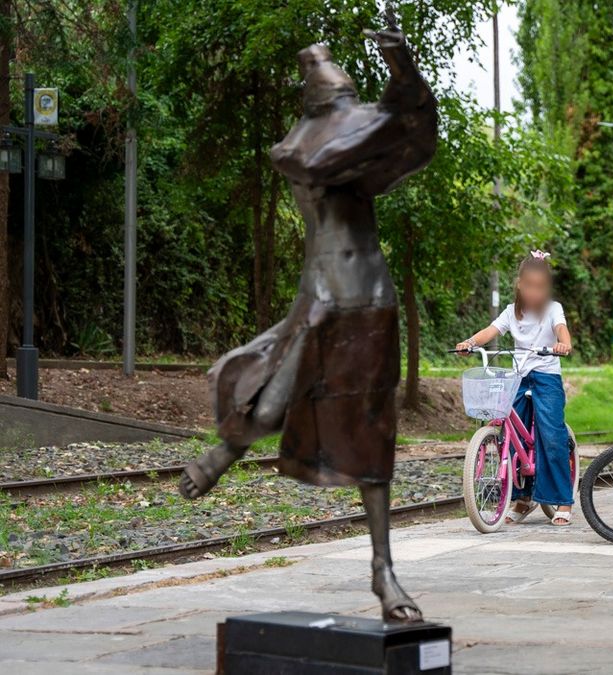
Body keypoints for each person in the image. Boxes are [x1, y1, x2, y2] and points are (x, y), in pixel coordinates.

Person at [179, 23, 437, 623]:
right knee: (267, 409)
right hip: (322, 298)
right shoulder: (303, 155)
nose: (355, 121)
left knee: (375, 441)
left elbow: (415, 128)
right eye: (344, 112)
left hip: (372, 301)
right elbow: (350, 147)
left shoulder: (363, 150)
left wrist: (400, 62)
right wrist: (392, 106)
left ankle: (384, 570)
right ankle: (224, 453)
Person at [456, 251, 574, 525]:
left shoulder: (553, 309)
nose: (535, 291)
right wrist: (470, 342)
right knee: (511, 438)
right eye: (530, 285)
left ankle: (563, 500)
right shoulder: (511, 312)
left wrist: (563, 344)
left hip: (546, 375)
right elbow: (491, 331)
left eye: (540, 286)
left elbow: (561, 330)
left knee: (552, 435)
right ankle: (522, 498)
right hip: (518, 377)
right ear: (520, 284)